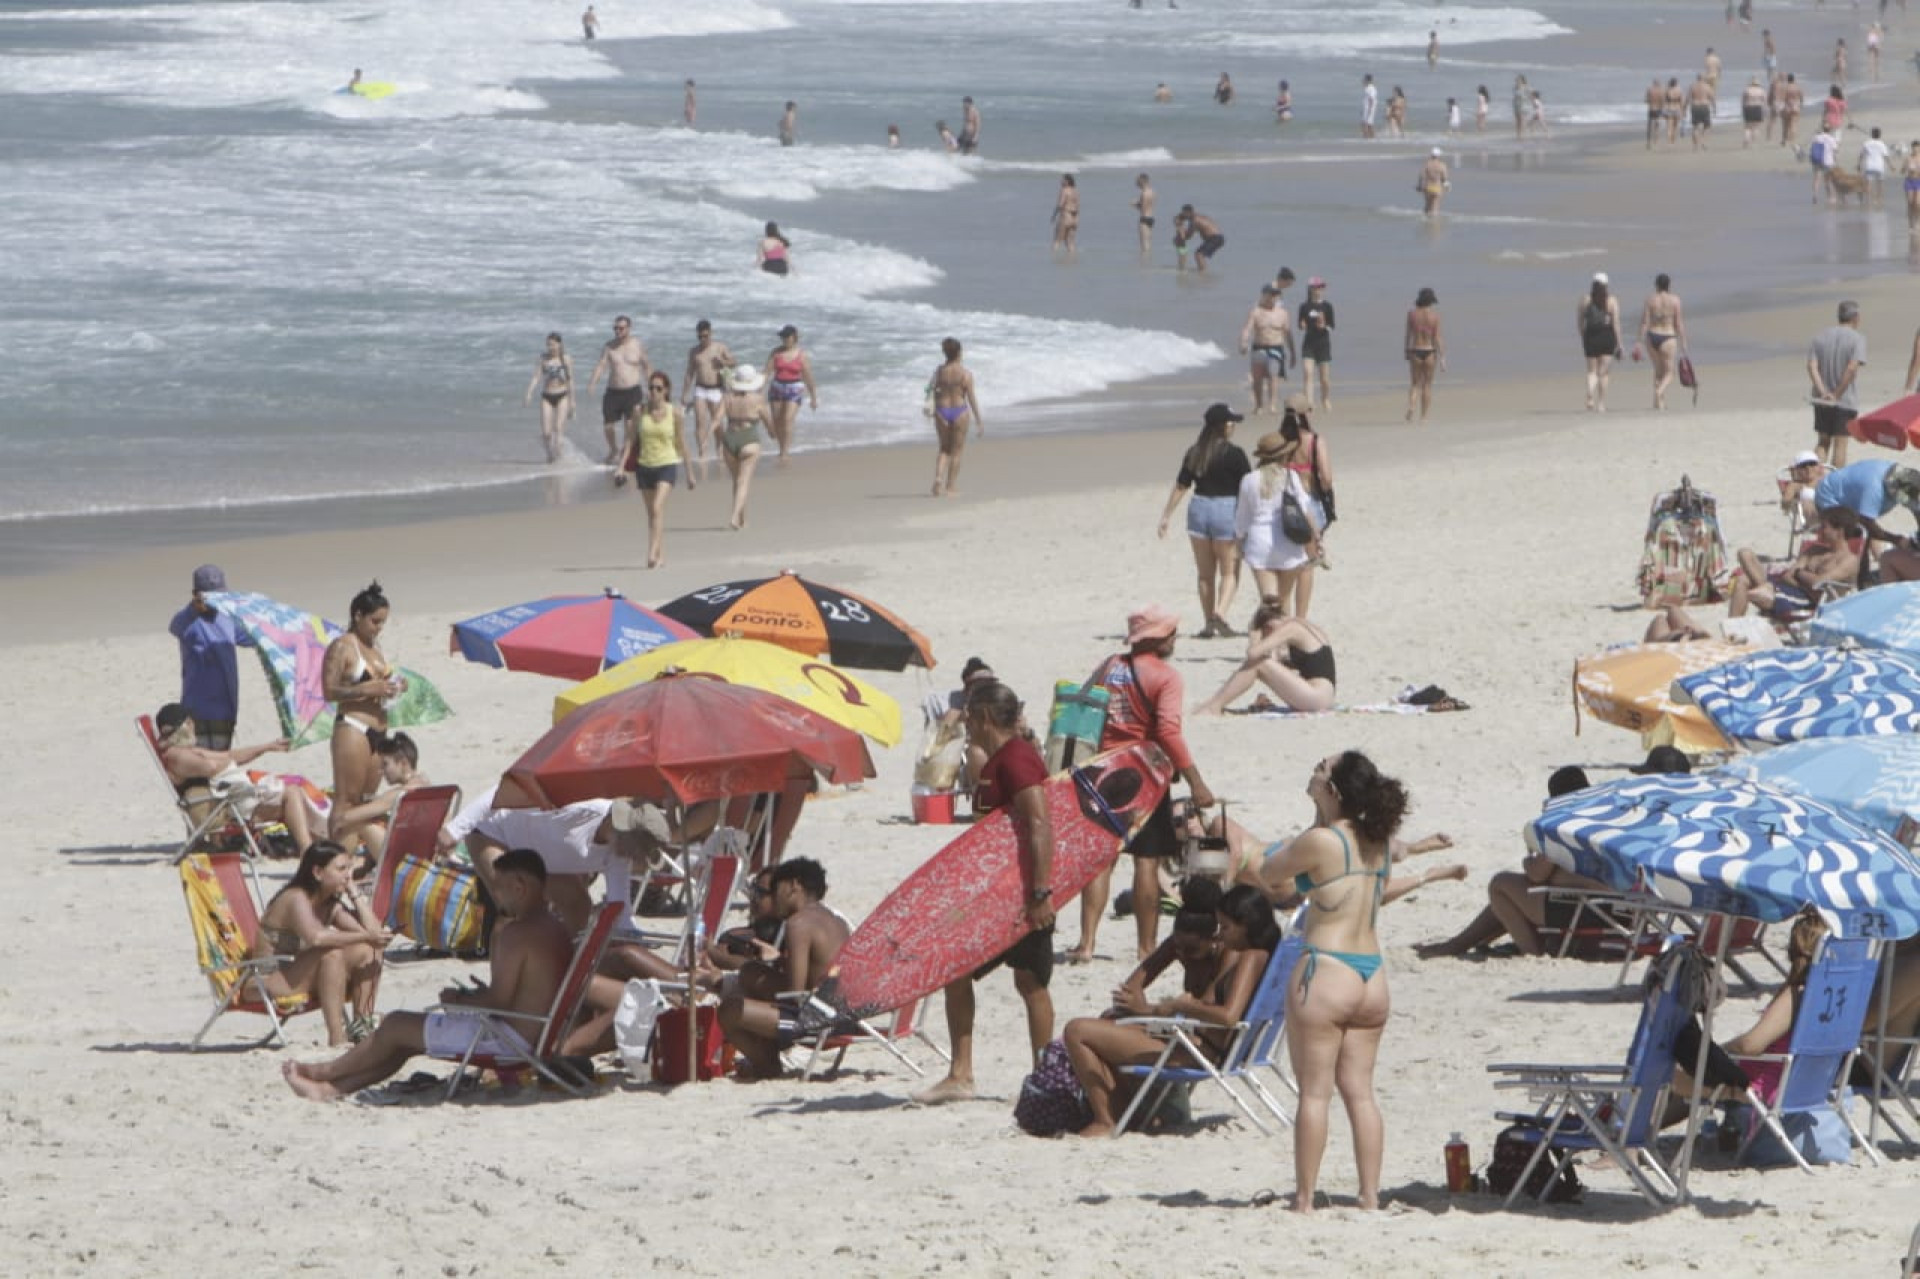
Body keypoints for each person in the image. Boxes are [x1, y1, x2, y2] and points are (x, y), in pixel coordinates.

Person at [283, 849, 574, 1101]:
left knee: (396, 1024)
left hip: (507, 1041)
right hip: (535, 1035)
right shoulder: (554, 928)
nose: (495, 896)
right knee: (401, 1041)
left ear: (520, 886)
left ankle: (324, 1071)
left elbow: (498, 999)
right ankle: (328, 1090)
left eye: (499, 887)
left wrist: (457, 999)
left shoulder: (518, 933)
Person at [1259, 751, 1407, 1211]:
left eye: (1321, 769)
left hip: (1327, 969)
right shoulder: (1377, 841)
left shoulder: (1323, 840)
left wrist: (1315, 820)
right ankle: (1369, 1195)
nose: (1314, 770)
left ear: (1334, 791)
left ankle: (1304, 1198)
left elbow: (1268, 874)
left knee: (1315, 1094)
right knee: (1361, 1093)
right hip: (1371, 974)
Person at [912, 682, 1057, 1104]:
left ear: (987, 718)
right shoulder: (998, 760)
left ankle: (1043, 1076)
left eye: (970, 718)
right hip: (995, 894)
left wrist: (1041, 891)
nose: (966, 725)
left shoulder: (1017, 759)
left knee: (1031, 982)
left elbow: (1040, 823)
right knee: (961, 971)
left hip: (1023, 893)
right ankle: (962, 1073)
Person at [1069, 605, 1219, 964]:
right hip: (1144, 774)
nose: (1174, 639)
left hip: (1102, 771)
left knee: (1101, 862)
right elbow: (1168, 732)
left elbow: (1085, 708)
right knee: (1147, 862)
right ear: (1158, 639)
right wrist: (1197, 782)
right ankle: (1145, 947)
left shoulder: (1109, 666)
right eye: (1170, 634)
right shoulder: (1165, 677)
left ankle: (1087, 944)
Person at [1062, 885, 1277, 1136]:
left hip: (1199, 1051)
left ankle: (1108, 1118)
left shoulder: (1249, 957)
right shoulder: (1261, 956)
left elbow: (1228, 1016)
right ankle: (1123, 1112)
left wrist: (1180, 1005)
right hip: (1205, 1045)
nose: (1222, 935)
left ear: (1246, 925)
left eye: (1226, 928)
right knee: (1106, 1024)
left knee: (1077, 1031)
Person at [1417, 760, 1674, 961]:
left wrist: (1531, 858)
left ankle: (1532, 951)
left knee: (1501, 884)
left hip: (1591, 911)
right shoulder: (1609, 819)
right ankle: (1460, 944)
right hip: (1626, 913)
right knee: (1516, 892)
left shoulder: (1568, 824)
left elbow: (1537, 874)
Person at [716, 858, 849, 1079]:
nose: (773, 897)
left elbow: (793, 993)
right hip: (842, 1012)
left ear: (793, 886)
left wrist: (751, 1008)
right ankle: (764, 1056)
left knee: (729, 1010)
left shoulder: (798, 924)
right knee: (751, 973)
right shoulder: (835, 921)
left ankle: (766, 1064)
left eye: (776, 888)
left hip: (818, 1020)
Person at [255, 840, 391, 1045]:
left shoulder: (329, 904)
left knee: (369, 951)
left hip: (299, 972)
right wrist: (367, 936)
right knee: (331, 953)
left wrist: (354, 893)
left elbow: (373, 935)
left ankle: (362, 1027)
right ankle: (337, 1037)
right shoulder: (295, 898)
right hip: (269, 979)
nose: (348, 875)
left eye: (349, 868)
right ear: (318, 872)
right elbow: (316, 937)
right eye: (341, 869)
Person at [153, 702, 322, 853]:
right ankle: (308, 850)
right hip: (221, 811)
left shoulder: (184, 752)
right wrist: (224, 762)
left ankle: (316, 845)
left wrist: (267, 747)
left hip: (221, 804)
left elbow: (228, 756)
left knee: (292, 791)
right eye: (189, 723)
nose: (193, 726)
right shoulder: (178, 755)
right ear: (185, 725)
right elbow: (213, 766)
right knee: (291, 794)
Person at [1157, 403, 1250, 638]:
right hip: (1226, 509)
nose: (1233, 426)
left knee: (1205, 574)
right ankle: (1219, 613)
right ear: (1222, 426)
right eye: (1231, 422)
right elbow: (1248, 488)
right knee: (1230, 571)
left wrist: (1166, 515)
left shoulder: (1195, 452)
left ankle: (1209, 623)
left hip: (1198, 508)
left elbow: (1181, 486)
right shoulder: (1235, 454)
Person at [320, 581, 401, 815]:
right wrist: (367, 690)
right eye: (375, 621)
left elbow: (379, 684)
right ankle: (341, 850)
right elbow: (329, 691)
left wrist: (393, 685)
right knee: (347, 800)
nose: (379, 628)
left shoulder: (375, 649)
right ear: (358, 616)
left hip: (379, 731)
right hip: (354, 727)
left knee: (367, 802)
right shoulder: (342, 647)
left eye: (383, 622)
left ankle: (356, 850)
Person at [1194, 604, 1335, 714]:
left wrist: (1254, 638)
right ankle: (1213, 703)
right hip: (1322, 696)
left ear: (1268, 627)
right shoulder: (1304, 625)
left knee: (1258, 663)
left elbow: (1253, 654)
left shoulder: (1291, 628)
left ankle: (1215, 706)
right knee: (1262, 662)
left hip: (1316, 697)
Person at [169, 564, 252, 749]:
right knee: (203, 769)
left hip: (226, 709)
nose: (216, 602)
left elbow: (251, 636)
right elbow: (174, 626)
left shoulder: (226, 619)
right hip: (198, 711)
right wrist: (194, 608)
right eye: (210, 597)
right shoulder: (189, 621)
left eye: (220, 597)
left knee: (221, 765)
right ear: (196, 594)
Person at [1236, 432, 1322, 612]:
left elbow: (1242, 519)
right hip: (1288, 541)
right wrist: (1316, 537)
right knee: (1284, 598)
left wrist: (1239, 542)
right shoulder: (1291, 477)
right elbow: (1305, 511)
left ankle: (1266, 635)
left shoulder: (1249, 479)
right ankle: (1284, 636)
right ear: (1284, 455)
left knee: (1268, 602)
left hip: (1259, 542)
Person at [1725, 508, 1861, 618]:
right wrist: (1804, 578)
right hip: (1787, 589)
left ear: (1840, 531)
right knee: (1744, 559)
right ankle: (1732, 633)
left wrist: (1799, 573)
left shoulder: (1849, 560)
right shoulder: (1814, 549)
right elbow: (1787, 576)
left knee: (1748, 589)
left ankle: (1765, 590)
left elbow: (1819, 583)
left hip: (1807, 601)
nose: (1820, 531)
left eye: (1825, 527)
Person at [621, 371, 694, 569]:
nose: (653, 391)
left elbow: (681, 442)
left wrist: (689, 472)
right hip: (644, 467)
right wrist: (621, 467)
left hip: (667, 465)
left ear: (666, 391)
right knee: (653, 514)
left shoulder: (675, 413)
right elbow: (631, 440)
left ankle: (651, 553)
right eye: (651, 387)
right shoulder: (640, 411)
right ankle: (660, 556)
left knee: (656, 508)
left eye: (658, 388)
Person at [326, 730, 429, 867]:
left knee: (356, 823)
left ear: (403, 763)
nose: (381, 770)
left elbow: (345, 818)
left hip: (404, 861)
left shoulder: (401, 793)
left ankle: (339, 866)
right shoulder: (425, 784)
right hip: (426, 854)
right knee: (375, 821)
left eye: (385, 764)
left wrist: (336, 818)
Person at [1814, 459, 1920, 581]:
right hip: (1831, 497)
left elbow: (1916, 510)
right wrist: (1896, 540)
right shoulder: (1874, 490)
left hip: (1854, 496)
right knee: (1857, 537)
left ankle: (1863, 577)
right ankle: (1858, 580)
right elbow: (1867, 525)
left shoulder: (1902, 476)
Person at [1808, 300, 1868, 467]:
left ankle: (1811, 481)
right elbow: (1851, 367)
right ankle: (1835, 483)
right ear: (1856, 317)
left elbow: (1812, 366)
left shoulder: (1820, 337)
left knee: (1823, 442)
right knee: (1840, 444)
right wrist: (1836, 394)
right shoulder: (1857, 339)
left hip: (1821, 400)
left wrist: (1822, 392)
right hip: (1845, 400)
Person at [587, 315, 648, 466]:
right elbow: (601, 365)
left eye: (621, 328)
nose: (617, 331)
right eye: (615, 328)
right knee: (608, 426)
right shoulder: (609, 346)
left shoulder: (637, 344)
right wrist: (592, 383)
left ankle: (626, 455)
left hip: (633, 391)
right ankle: (614, 449)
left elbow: (646, 365)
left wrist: (652, 385)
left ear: (629, 328)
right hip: (613, 392)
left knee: (629, 425)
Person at [717, 365, 771, 529]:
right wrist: (773, 432)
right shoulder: (757, 399)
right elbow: (767, 420)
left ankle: (742, 520)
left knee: (737, 481)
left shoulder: (727, 398)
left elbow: (716, 419)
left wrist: (710, 438)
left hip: (730, 438)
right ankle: (734, 517)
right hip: (749, 438)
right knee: (743, 481)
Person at [927, 336, 981, 497]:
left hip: (941, 411)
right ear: (958, 353)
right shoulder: (966, 374)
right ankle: (950, 487)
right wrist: (978, 420)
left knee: (944, 448)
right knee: (956, 452)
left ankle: (938, 478)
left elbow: (930, 390)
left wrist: (934, 410)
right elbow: (971, 397)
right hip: (959, 411)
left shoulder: (938, 372)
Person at [681, 319, 735, 482]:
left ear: (710, 333)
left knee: (717, 423)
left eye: (705, 336)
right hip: (700, 388)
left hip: (716, 388)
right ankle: (702, 451)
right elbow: (690, 372)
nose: (702, 340)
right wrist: (684, 393)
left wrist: (723, 362)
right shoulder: (694, 352)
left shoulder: (719, 348)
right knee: (699, 420)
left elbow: (733, 362)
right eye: (699, 337)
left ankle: (719, 450)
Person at [761, 324, 816, 464]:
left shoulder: (801, 355)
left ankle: (785, 452)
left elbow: (808, 377)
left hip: (794, 388)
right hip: (777, 387)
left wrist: (813, 397)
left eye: (787, 337)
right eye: (782, 337)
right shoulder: (776, 353)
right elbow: (766, 373)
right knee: (777, 421)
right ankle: (780, 449)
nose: (784, 339)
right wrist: (758, 390)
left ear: (794, 337)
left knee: (787, 420)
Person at [1636, 274, 1689, 410]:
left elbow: (1644, 322)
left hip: (1652, 336)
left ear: (1656, 285)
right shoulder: (1675, 300)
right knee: (1670, 373)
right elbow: (1678, 323)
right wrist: (1683, 341)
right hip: (1668, 336)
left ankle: (1658, 403)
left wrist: (1639, 342)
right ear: (1669, 285)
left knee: (1658, 370)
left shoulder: (1650, 300)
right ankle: (1659, 392)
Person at [1239, 286, 1292, 415]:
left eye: (1275, 295)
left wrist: (1293, 352)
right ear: (1264, 295)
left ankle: (1272, 404)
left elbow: (1288, 334)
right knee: (1257, 378)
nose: (1273, 298)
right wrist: (1243, 342)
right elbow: (1247, 329)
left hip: (1276, 348)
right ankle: (1259, 405)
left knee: (1273, 376)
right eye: (1270, 295)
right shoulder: (1256, 312)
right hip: (1259, 347)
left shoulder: (1283, 313)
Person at [522, 332, 575, 462]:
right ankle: (550, 455)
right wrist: (529, 392)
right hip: (547, 396)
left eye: (552, 344)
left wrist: (572, 402)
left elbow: (570, 380)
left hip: (562, 395)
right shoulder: (543, 358)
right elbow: (536, 377)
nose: (550, 347)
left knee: (558, 428)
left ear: (559, 344)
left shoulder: (566, 359)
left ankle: (560, 455)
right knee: (546, 433)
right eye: (548, 345)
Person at [1579, 272, 1622, 413]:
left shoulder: (1585, 300)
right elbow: (1615, 324)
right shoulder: (1611, 301)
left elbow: (1580, 322)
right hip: (1606, 336)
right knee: (1604, 373)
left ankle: (1590, 393)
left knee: (1591, 371)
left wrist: (1583, 337)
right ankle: (1601, 404)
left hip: (1590, 336)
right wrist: (1619, 343)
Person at [1404, 287, 1444, 422]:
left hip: (1415, 349)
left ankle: (1411, 406)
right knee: (1427, 385)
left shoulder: (1412, 314)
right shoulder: (1435, 316)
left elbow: (1408, 335)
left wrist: (1406, 351)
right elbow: (1438, 338)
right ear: (1431, 301)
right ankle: (1423, 417)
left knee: (1415, 383)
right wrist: (1443, 357)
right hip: (1430, 351)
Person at [1297, 282, 1335, 411]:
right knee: (1308, 373)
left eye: (1320, 287)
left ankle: (1325, 399)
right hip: (1309, 344)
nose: (1317, 290)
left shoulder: (1327, 306)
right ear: (1310, 289)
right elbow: (1300, 323)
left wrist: (1324, 326)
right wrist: (1302, 325)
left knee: (1324, 378)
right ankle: (1309, 402)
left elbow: (1332, 326)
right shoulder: (1304, 306)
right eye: (1315, 287)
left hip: (1323, 344)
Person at [1176, 205, 1224, 272]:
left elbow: (1189, 236)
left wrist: (1179, 227)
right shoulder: (1198, 217)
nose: (1184, 217)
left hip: (1215, 238)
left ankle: (1203, 273)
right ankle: (1203, 271)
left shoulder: (1195, 221)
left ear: (1189, 213)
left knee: (1199, 255)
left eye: (1184, 214)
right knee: (1199, 254)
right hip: (1217, 237)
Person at [1810, 123, 1840, 205]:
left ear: (1823, 129)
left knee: (1816, 179)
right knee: (1828, 180)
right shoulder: (1831, 139)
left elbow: (1812, 147)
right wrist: (1836, 160)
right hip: (1828, 161)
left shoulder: (1817, 137)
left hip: (1817, 160)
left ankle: (1815, 195)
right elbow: (1835, 151)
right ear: (1830, 130)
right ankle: (1831, 198)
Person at [1861, 126, 1891, 205]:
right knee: (1880, 184)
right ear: (1879, 135)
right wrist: (1891, 165)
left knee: (1868, 184)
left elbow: (1862, 155)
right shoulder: (1882, 144)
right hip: (1879, 166)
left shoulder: (1866, 143)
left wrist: (1858, 164)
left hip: (1869, 165)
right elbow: (1886, 156)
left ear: (1872, 134)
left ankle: (1869, 200)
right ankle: (1879, 200)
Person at [1415, 147, 1448, 218]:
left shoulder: (1427, 164)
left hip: (1427, 187)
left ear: (1431, 155)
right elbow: (1444, 178)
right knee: (1435, 207)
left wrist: (1419, 186)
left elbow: (1421, 175)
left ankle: (1425, 219)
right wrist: (1446, 186)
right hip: (1437, 187)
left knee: (1427, 206)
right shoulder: (1442, 165)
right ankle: (1433, 223)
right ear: (1439, 156)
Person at [1052, 174, 1079, 255]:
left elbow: (1060, 204)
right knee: (1070, 242)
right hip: (1075, 218)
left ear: (1067, 181)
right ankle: (1071, 259)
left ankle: (1053, 258)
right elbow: (1078, 205)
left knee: (1057, 240)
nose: (1061, 181)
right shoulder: (1075, 191)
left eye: (1063, 180)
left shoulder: (1064, 190)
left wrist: (1054, 215)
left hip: (1065, 216)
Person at [1687, 73, 1714, 148]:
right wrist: (1715, 108)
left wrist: (1685, 108)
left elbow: (1688, 98)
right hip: (1704, 106)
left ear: (1697, 78)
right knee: (1707, 126)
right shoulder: (1707, 87)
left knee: (1695, 127)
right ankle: (1703, 141)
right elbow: (1712, 98)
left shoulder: (1692, 86)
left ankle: (1695, 144)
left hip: (1695, 106)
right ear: (1703, 78)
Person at [1132, 172, 1156, 255]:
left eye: (1137, 181)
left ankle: (1145, 263)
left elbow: (1143, 209)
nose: (1136, 183)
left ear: (1142, 181)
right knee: (1148, 243)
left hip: (1144, 219)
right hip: (1151, 218)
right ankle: (1147, 262)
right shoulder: (1152, 191)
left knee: (1144, 245)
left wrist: (1134, 204)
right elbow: (1149, 205)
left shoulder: (1144, 193)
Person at [1740, 76, 1766, 147]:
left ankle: (1746, 138)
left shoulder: (1747, 90)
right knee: (1756, 126)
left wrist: (1743, 109)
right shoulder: (1761, 90)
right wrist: (1764, 111)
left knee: (1747, 126)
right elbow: (1764, 101)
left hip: (1748, 107)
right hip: (1757, 107)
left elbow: (1743, 101)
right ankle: (1753, 142)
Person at [1779, 73, 1802, 148]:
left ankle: (1784, 141)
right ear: (1794, 79)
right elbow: (1801, 97)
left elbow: (1782, 98)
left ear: (1787, 79)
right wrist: (1800, 105)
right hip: (1795, 107)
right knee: (1793, 125)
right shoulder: (1797, 87)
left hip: (1787, 107)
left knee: (1785, 125)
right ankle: (1793, 141)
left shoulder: (1785, 88)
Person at [1645, 77, 1666, 149]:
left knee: (1649, 126)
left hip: (1651, 109)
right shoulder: (1661, 90)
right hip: (1658, 109)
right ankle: (1656, 141)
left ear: (1653, 83)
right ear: (1659, 83)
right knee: (1657, 126)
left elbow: (1646, 100)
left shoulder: (1649, 89)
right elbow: (1663, 101)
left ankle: (1648, 142)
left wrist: (1651, 101)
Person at [1511, 74, 1529, 140]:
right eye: (1517, 80)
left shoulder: (1525, 87)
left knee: (1522, 120)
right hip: (1516, 105)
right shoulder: (1514, 87)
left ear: (1522, 80)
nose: (1517, 81)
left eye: (1519, 80)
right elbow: (1514, 96)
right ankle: (1518, 134)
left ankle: (1522, 134)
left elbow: (1529, 96)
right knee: (1517, 121)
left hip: (1523, 105)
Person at [1361, 74, 1378, 139]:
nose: (1363, 81)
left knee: (1367, 124)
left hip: (1369, 108)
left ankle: (1369, 137)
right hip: (1367, 108)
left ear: (1367, 80)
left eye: (1364, 79)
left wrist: (1370, 110)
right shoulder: (1368, 88)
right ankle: (1369, 137)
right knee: (1367, 124)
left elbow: (1371, 99)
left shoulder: (1371, 88)